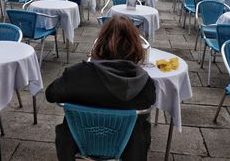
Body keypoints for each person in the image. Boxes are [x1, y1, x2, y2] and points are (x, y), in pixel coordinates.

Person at [46, 15, 156, 161]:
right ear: (135, 46)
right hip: (128, 148)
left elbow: (51, 94)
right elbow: (149, 104)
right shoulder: (144, 83)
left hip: (80, 143)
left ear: (100, 43)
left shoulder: (77, 74)